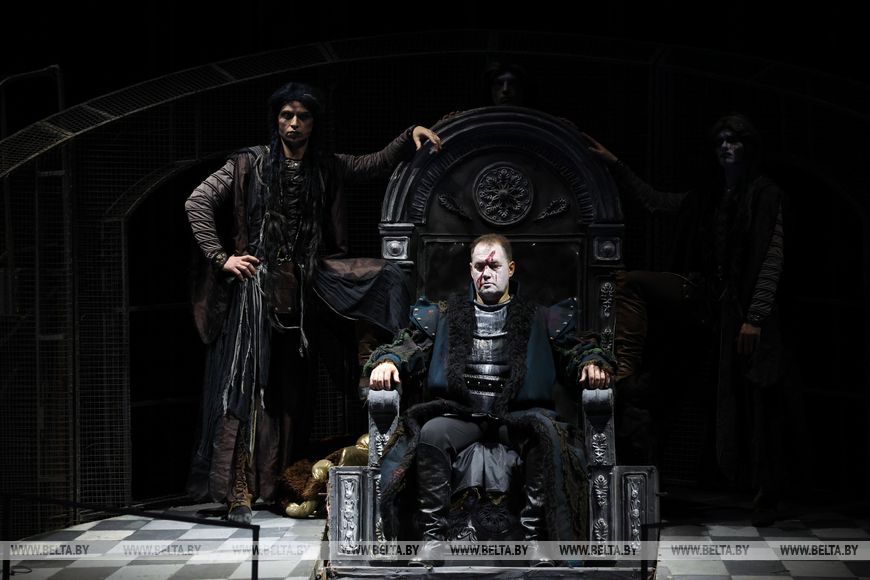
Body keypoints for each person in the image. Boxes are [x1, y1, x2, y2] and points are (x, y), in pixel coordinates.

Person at [185, 81, 441, 523]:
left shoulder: (325, 165)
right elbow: (197, 201)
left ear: (313, 122)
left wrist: (408, 135)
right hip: (257, 286)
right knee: (248, 387)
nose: (294, 124)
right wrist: (221, 257)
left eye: (302, 116)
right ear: (276, 119)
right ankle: (239, 493)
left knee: (383, 277)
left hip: (307, 283)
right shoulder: (250, 163)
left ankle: (372, 364)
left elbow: (373, 163)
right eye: (286, 115)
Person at [584, 113, 787, 524]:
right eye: (721, 141)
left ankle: (765, 492)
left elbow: (771, 257)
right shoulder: (707, 196)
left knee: (753, 403)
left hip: (742, 311)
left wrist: (755, 316)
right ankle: (624, 367)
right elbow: (656, 202)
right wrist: (616, 164)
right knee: (629, 284)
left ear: (749, 147)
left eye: (734, 140)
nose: (726, 147)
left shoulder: (765, 195)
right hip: (703, 298)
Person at [366, 233, 613, 566]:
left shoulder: (539, 317)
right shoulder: (445, 315)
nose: (486, 273)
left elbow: (576, 350)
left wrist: (591, 362)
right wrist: (389, 361)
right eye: (480, 266)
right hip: (462, 414)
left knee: (543, 436)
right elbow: (408, 346)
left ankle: (534, 540)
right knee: (431, 434)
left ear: (510, 269)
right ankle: (433, 540)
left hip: (517, 416)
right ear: (471, 270)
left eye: (494, 266)